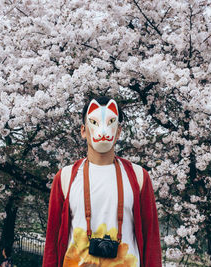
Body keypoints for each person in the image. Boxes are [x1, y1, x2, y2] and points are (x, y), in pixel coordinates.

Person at [43, 96, 162, 267]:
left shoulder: (138, 177)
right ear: (83, 131)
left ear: (119, 131)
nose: (104, 130)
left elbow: (151, 241)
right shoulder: (65, 178)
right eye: (95, 122)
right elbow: (52, 242)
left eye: (111, 122)